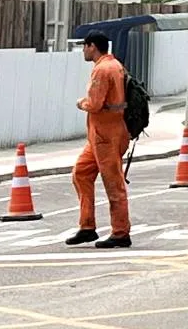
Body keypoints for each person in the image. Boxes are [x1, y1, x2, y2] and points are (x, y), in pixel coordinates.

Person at [66, 31, 132, 248]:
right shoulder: (114, 65)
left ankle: (121, 232)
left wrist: (80, 103)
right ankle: (87, 227)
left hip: (106, 136)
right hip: (102, 135)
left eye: (84, 46)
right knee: (81, 173)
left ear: (92, 46)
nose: (83, 51)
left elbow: (94, 104)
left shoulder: (102, 70)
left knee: (113, 183)